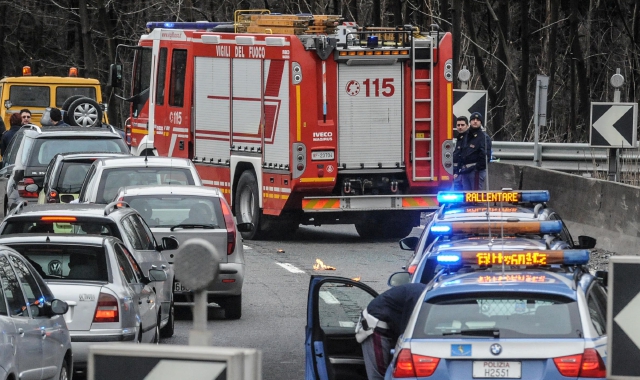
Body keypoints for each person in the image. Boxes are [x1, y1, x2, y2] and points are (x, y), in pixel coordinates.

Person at [356, 282, 427, 380]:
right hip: (377, 325)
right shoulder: (419, 297)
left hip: (388, 323)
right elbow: (407, 331)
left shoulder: (424, 292)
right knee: (378, 376)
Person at [457, 112, 491, 190]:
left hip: (476, 172)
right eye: (473, 119)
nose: (475, 121)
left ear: (481, 122)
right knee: (467, 198)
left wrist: (476, 168)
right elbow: (461, 153)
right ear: (470, 122)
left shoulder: (484, 137)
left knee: (476, 198)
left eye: (478, 120)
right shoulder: (465, 136)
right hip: (465, 171)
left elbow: (486, 156)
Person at [452, 116, 470, 190]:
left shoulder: (467, 138)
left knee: (459, 191)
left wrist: (457, 171)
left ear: (467, 126)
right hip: (458, 169)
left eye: (462, 125)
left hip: (462, 170)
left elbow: (462, 155)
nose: (460, 127)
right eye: (458, 125)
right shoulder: (460, 137)